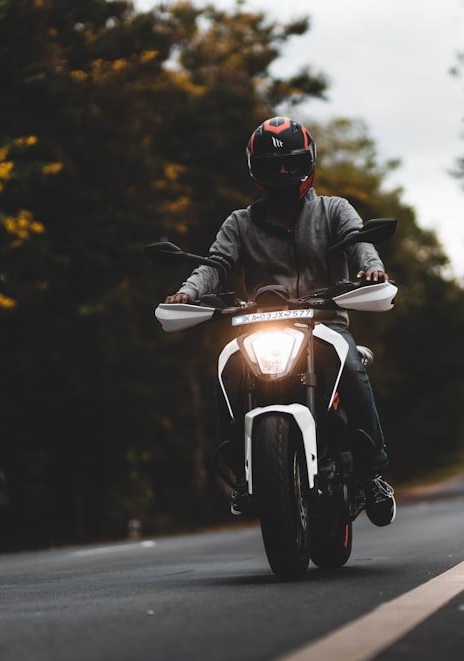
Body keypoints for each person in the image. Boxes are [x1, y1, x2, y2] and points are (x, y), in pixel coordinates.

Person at [164, 116, 396, 527]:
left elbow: (360, 243)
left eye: (291, 165)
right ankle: (242, 475)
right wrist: (189, 293)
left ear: (307, 164)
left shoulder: (334, 210)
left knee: (353, 366)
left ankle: (374, 472)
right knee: (225, 369)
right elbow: (215, 265)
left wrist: (372, 270)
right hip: (259, 326)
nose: (284, 174)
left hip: (324, 323)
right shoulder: (239, 223)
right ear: (257, 172)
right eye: (275, 168)